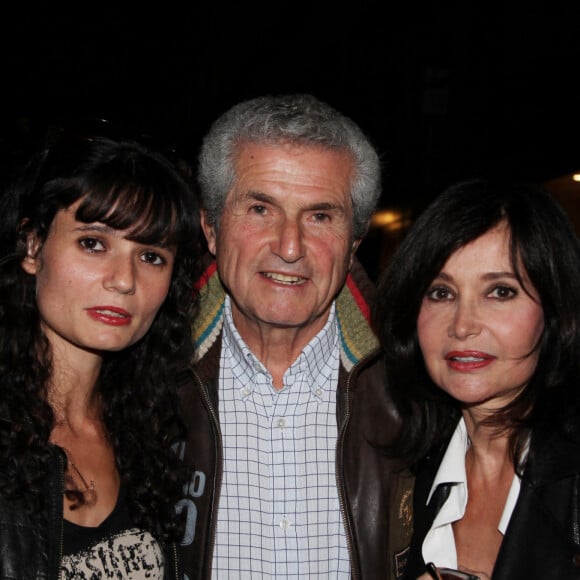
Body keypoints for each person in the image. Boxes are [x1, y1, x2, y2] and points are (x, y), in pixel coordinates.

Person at [175, 93, 413, 579]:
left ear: (353, 247)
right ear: (211, 228)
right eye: (261, 209)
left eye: (320, 216)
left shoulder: (416, 394)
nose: (289, 246)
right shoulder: (141, 382)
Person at [0, 124, 201, 578]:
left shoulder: (152, 432)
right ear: (32, 246)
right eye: (93, 243)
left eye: (151, 255)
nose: (124, 279)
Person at [374, 178, 580, 579]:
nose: (463, 325)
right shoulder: (407, 477)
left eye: (500, 292)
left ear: (554, 312)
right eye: (440, 293)